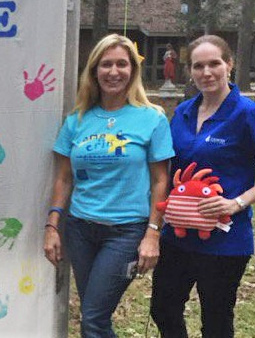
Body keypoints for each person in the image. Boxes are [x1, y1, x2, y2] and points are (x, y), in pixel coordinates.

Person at [43, 34, 174, 337]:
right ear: (93, 71)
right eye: (106, 64)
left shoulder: (151, 118)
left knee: (93, 318)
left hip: (126, 232)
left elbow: (160, 180)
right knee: (94, 313)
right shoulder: (77, 120)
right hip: (80, 229)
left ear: (132, 70)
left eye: (121, 64)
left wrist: (152, 234)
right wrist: (52, 226)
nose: (114, 71)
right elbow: (64, 177)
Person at [150, 35, 255, 338]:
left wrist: (237, 203)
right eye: (198, 66)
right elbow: (168, 165)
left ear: (229, 65)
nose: (206, 72)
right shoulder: (183, 112)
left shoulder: (246, 114)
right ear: (190, 71)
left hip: (226, 240)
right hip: (178, 236)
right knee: (164, 308)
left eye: (214, 64)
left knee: (216, 321)